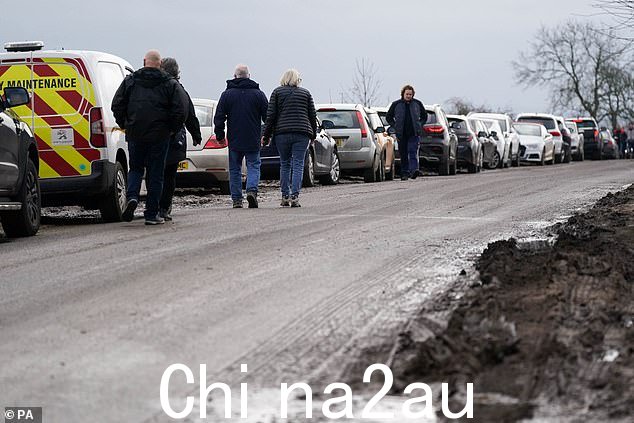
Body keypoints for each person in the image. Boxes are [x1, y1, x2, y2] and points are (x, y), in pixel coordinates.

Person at [112, 49, 188, 225]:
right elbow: (181, 109)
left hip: (135, 133)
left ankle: (131, 197)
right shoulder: (169, 84)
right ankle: (152, 214)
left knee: (136, 168)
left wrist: (125, 123)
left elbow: (116, 104)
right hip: (160, 135)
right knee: (156, 173)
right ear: (160, 64)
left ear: (144, 61)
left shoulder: (130, 81)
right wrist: (172, 129)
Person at [213, 64, 269, 208]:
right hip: (252, 137)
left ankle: (237, 199)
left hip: (234, 138)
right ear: (249, 76)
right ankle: (251, 190)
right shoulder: (259, 94)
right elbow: (268, 117)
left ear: (235, 76)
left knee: (235, 169)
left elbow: (219, 117)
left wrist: (220, 135)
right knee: (254, 166)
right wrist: (266, 135)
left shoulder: (227, 95)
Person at [262, 69, 317, 208]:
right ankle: (295, 196)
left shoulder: (277, 92)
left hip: (282, 134)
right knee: (298, 164)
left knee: (285, 164)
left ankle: (285, 196)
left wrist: (266, 135)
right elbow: (312, 116)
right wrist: (313, 135)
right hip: (302, 134)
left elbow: (271, 116)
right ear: (297, 79)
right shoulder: (306, 93)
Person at [158, 57, 202, 221]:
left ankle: (155, 206)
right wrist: (195, 134)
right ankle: (164, 207)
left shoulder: (155, 89)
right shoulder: (180, 90)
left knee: (156, 173)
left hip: (155, 137)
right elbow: (189, 113)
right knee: (169, 175)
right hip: (175, 138)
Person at [386, 85, 428, 181]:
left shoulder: (417, 104)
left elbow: (424, 116)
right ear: (403, 94)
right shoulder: (396, 104)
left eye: (410, 94)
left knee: (412, 151)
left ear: (413, 95)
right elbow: (388, 117)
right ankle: (404, 173)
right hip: (401, 133)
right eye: (407, 94)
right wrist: (395, 126)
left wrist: (419, 125)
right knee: (403, 154)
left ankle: (414, 171)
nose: (409, 96)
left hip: (414, 133)